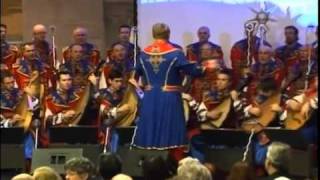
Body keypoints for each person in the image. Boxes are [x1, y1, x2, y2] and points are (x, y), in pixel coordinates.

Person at [131, 23, 205, 161]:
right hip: (169, 97)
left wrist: (144, 90)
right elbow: (192, 70)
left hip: (149, 97)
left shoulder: (143, 54)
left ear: (153, 34)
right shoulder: (175, 53)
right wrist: (204, 68)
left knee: (150, 130)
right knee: (169, 132)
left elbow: (134, 76)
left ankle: (149, 164)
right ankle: (170, 164)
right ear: (168, 33)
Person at [183, 69, 244, 162]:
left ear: (230, 83)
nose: (219, 82)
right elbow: (199, 113)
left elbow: (241, 116)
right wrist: (207, 114)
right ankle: (200, 167)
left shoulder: (236, 96)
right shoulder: (209, 95)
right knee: (194, 139)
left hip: (227, 133)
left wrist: (235, 100)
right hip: (210, 131)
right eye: (218, 79)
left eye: (223, 80)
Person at [98, 70, 131, 152]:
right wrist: (120, 110)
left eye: (120, 81)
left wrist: (136, 87)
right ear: (109, 81)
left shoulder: (122, 93)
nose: (119, 83)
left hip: (121, 123)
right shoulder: (102, 94)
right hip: (106, 126)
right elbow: (104, 112)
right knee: (108, 124)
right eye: (116, 81)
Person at [230, 24, 271, 89]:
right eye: (248, 30)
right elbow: (235, 65)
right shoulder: (238, 46)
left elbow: (268, 62)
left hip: (262, 78)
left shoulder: (265, 44)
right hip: (243, 77)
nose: (250, 31)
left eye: (252, 30)